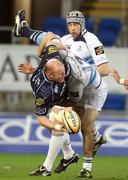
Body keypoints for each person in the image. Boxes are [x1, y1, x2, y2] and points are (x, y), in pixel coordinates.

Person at [16, 29, 108, 178]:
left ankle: (86, 163)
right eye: (59, 74)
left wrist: (41, 54)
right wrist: (57, 124)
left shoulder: (59, 63)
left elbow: (50, 36)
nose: (62, 74)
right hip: (64, 91)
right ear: (50, 75)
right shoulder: (45, 93)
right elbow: (40, 118)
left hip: (93, 89)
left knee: (84, 126)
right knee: (57, 123)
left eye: (63, 71)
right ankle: (68, 154)